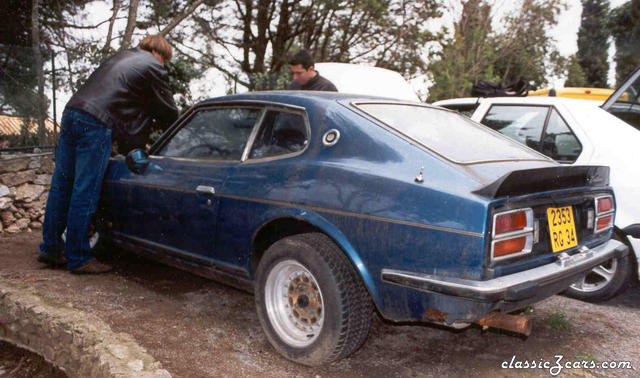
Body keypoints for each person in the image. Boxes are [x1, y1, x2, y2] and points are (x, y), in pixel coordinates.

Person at [38, 34, 179, 274]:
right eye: (165, 60)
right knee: (85, 190)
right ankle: (79, 257)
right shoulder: (153, 66)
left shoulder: (121, 57)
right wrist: (175, 130)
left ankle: (50, 249)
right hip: (96, 122)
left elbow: (126, 105)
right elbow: (167, 111)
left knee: (62, 186)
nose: (164, 65)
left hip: (72, 113)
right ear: (159, 54)